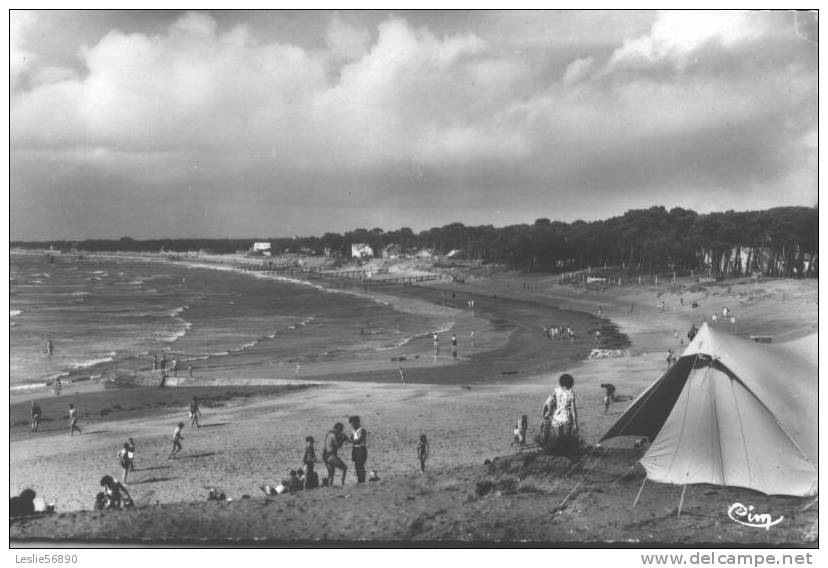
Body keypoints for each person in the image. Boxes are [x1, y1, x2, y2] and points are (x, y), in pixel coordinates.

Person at [349, 416, 368, 484]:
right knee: (357, 466)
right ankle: (359, 481)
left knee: (360, 466)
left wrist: (350, 440)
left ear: (357, 422)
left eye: (353, 423)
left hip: (361, 449)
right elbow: (352, 438)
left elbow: (358, 440)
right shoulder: (354, 430)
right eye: (351, 424)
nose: (352, 425)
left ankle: (362, 481)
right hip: (355, 449)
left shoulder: (361, 430)